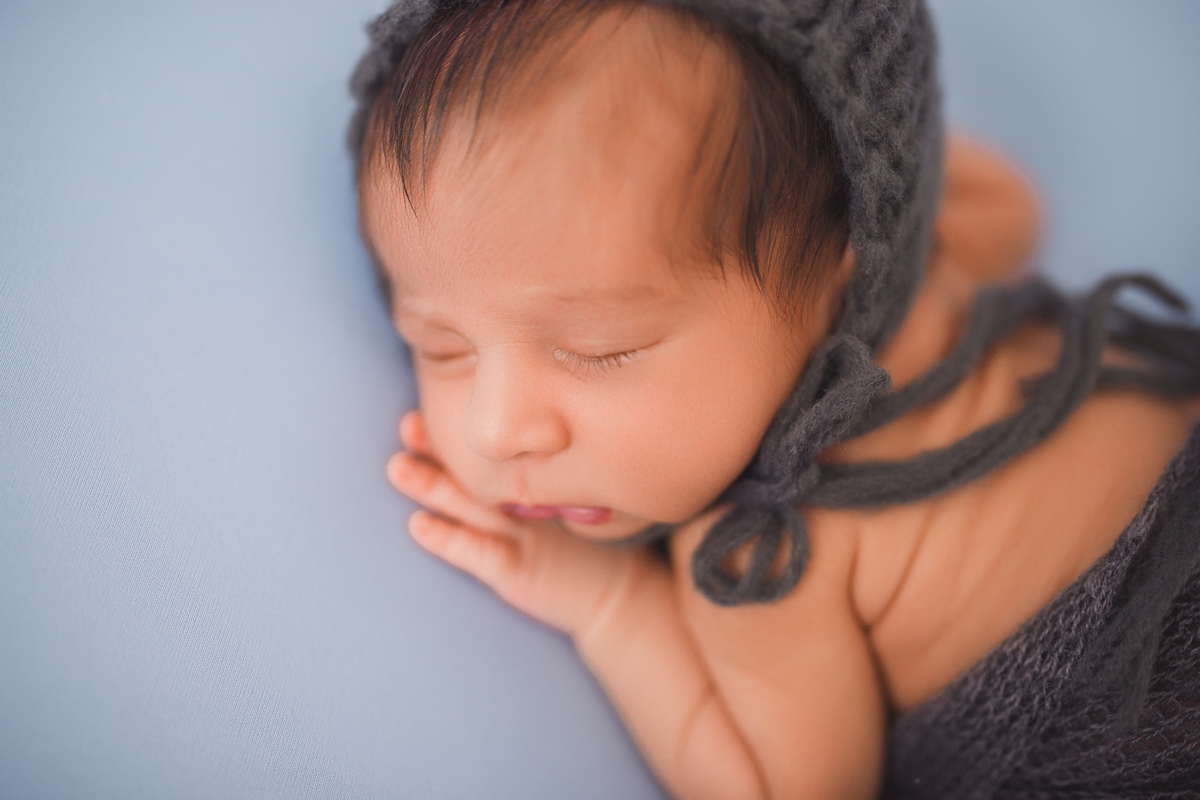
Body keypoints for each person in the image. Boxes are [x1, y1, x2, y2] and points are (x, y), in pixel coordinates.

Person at [348, 1, 1200, 797]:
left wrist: (614, 607)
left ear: (843, 268)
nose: (497, 428)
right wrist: (871, 159)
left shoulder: (755, 559)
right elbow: (1008, 201)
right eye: (441, 347)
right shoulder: (939, 262)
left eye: (599, 348)